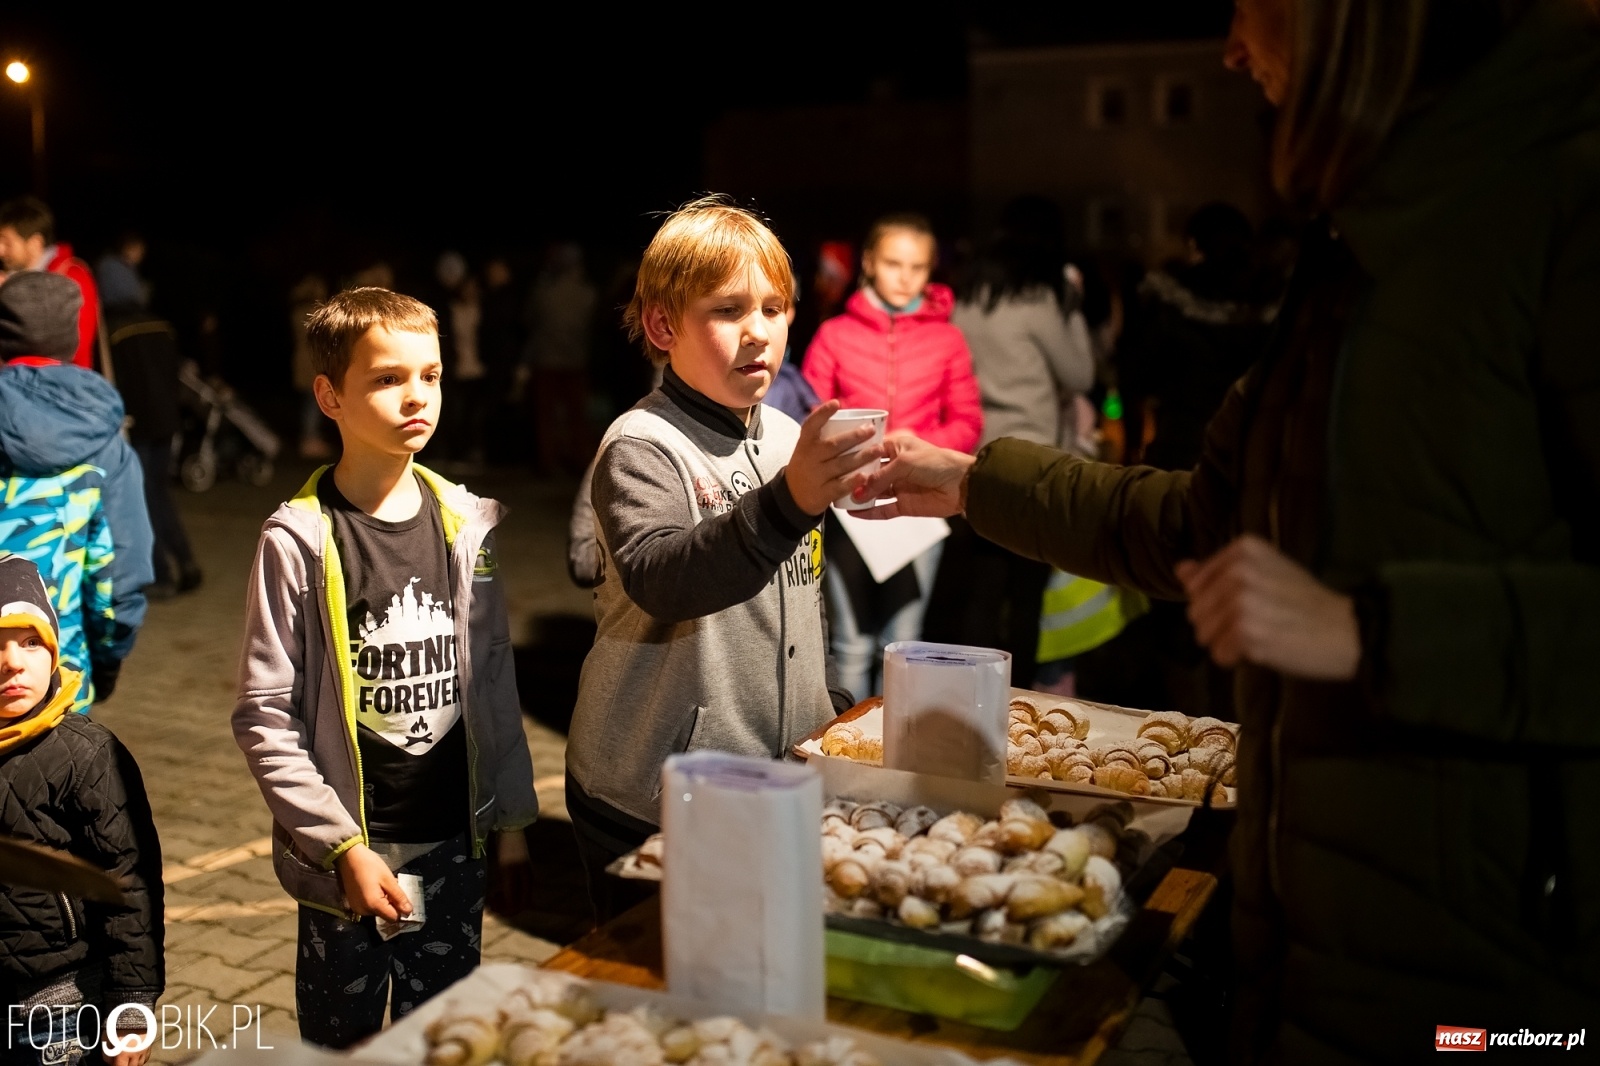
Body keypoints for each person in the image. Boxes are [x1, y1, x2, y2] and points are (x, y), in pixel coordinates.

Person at [851, 0, 1600, 1059]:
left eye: (1249, 7)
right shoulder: (1357, 248)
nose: (1229, 49)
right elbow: (1201, 522)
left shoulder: (1564, 189)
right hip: (1317, 937)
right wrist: (974, 484)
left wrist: (1367, 629)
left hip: (1503, 990)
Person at [231, 287, 537, 1049]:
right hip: (352, 863)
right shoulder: (297, 540)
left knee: (446, 1037)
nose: (418, 397)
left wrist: (515, 821)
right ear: (329, 395)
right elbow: (264, 714)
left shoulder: (466, 524)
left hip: (455, 849)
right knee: (347, 1042)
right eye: (388, 378)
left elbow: (493, 680)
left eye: (430, 376)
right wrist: (340, 846)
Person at [565, 196, 875, 922]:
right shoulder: (642, 445)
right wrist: (789, 503)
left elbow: (800, 591)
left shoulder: (785, 436)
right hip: (655, 792)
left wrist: (821, 702)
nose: (757, 333)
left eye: (775, 308)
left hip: (775, 780)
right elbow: (665, 578)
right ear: (663, 326)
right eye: (728, 310)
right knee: (657, 1004)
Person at [801, 213, 981, 696]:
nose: (905, 276)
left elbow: (966, 419)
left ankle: (893, 760)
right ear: (869, 263)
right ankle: (847, 753)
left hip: (920, 501)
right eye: (894, 263)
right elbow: (810, 410)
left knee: (903, 645)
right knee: (851, 643)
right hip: (850, 499)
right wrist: (847, 440)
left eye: (918, 266)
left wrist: (919, 450)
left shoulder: (947, 338)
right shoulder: (835, 334)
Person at [0, 555, 164, 1066]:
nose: (13, 661)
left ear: (52, 651)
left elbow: (131, 884)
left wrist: (131, 1008)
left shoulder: (87, 754)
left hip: (65, 1002)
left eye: (30, 642)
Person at [934, 196, 1097, 687]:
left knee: (982, 591)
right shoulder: (1041, 298)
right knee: (1027, 595)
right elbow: (1081, 373)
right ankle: (1020, 705)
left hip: (979, 456)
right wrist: (1072, 303)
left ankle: (973, 699)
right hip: (1035, 463)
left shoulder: (970, 297)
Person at [0, 272, 154, 712]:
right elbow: (119, 576)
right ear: (73, 337)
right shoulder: (103, 442)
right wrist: (105, 665)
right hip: (56, 680)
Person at [99, 241, 203, 599]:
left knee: (142, 501)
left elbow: (114, 382)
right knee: (158, 494)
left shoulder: (111, 331)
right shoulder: (160, 324)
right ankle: (186, 562)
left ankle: (160, 575)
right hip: (166, 422)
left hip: (135, 425)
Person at [0, 198, 100, 371]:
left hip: (61, 390)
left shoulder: (70, 276)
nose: (0, 250)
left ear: (35, 243)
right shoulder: (11, 279)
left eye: (7, 243)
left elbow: (74, 346)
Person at [524, 242, 598, 475]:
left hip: (546, 359)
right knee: (577, 415)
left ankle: (548, 462)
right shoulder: (588, 294)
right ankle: (579, 460)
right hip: (577, 360)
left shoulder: (545, 292)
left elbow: (528, 319)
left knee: (546, 417)